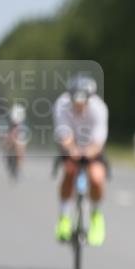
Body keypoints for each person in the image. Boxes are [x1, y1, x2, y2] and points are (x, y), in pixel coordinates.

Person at [53, 75, 109, 246]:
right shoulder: (61, 105)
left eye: (82, 101)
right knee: (70, 171)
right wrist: (72, 150)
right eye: (74, 101)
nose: (78, 105)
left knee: (97, 178)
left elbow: (98, 142)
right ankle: (64, 217)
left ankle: (96, 218)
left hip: (92, 146)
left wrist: (88, 152)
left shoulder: (99, 108)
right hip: (72, 145)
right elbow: (64, 135)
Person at [1, 103, 29, 178]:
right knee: (6, 142)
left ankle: (19, 166)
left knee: (21, 147)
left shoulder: (23, 123)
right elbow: (5, 135)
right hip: (10, 133)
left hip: (20, 133)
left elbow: (24, 136)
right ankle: (7, 157)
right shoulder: (8, 122)